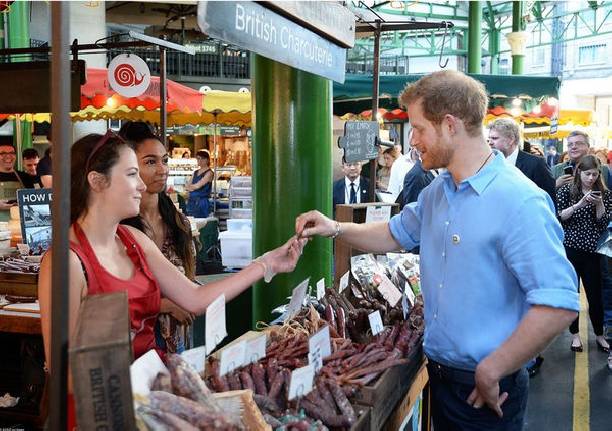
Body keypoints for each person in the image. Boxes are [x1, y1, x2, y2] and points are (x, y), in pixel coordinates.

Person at [296, 70, 579, 431]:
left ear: (449, 125)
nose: (412, 140)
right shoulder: (439, 192)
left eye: (418, 128)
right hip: (442, 377)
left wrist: (493, 368)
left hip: (485, 390)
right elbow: (394, 233)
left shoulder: (519, 201)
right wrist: (334, 228)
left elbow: (558, 303)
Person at [38, 130, 305, 428]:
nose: (142, 185)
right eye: (131, 174)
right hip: (100, 413)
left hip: (150, 401)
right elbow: (63, 372)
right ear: (97, 181)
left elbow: (195, 298)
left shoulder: (133, 240)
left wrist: (266, 263)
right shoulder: (65, 262)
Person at [119, 121, 196, 354]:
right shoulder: (119, 227)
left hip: (177, 340)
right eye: (150, 162)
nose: (162, 169)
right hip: (134, 343)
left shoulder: (177, 221)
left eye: (164, 160)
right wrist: (165, 305)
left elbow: (191, 279)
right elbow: (107, 298)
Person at [557, 154, 611, 354]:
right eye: (588, 174)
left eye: (595, 175)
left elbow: (603, 223)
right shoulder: (566, 191)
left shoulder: (604, 194)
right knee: (573, 294)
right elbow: (560, 217)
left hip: (593, 251)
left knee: (595, 295)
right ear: (579, 172)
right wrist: (580, 204)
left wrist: (598, 203)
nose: (591, 178)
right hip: (570, 249)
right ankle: (575, 335)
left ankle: (599, 334)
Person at [488, 118, 556, 204]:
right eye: (489, 139)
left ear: (511, 140)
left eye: (494, 138)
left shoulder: (536, 164)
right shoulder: (489, 164)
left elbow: (549, 200)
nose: (490, 142)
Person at [0, 143, 40, 221]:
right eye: (3, 153)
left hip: (20, 225)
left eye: (11, 153)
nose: (8, 156)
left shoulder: (25, 177)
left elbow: (36, 200)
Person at [185, 150, 213, 218]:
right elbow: (187, 186)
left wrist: (191, 187)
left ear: (207, 160)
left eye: (201, 158)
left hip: (201, 203)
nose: (199, 160)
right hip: (191, 202)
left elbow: (198, 185)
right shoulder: (195, 172)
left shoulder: (209, 173)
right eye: (198, 158)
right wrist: (190, 188)